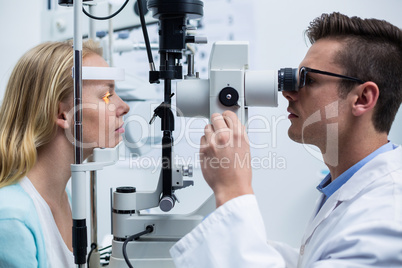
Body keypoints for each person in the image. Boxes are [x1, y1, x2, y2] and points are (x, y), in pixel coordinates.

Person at [170, 12, 402, 267]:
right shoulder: (345, 188)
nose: (288, 92)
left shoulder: (387, 215)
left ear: (363, 98)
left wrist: (232, 191)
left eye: (308, 79)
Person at [0, 40, 129, 267]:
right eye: (107, 96)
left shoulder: (63, 197)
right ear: (62, 114)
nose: (124, 106)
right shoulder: (12, 218)